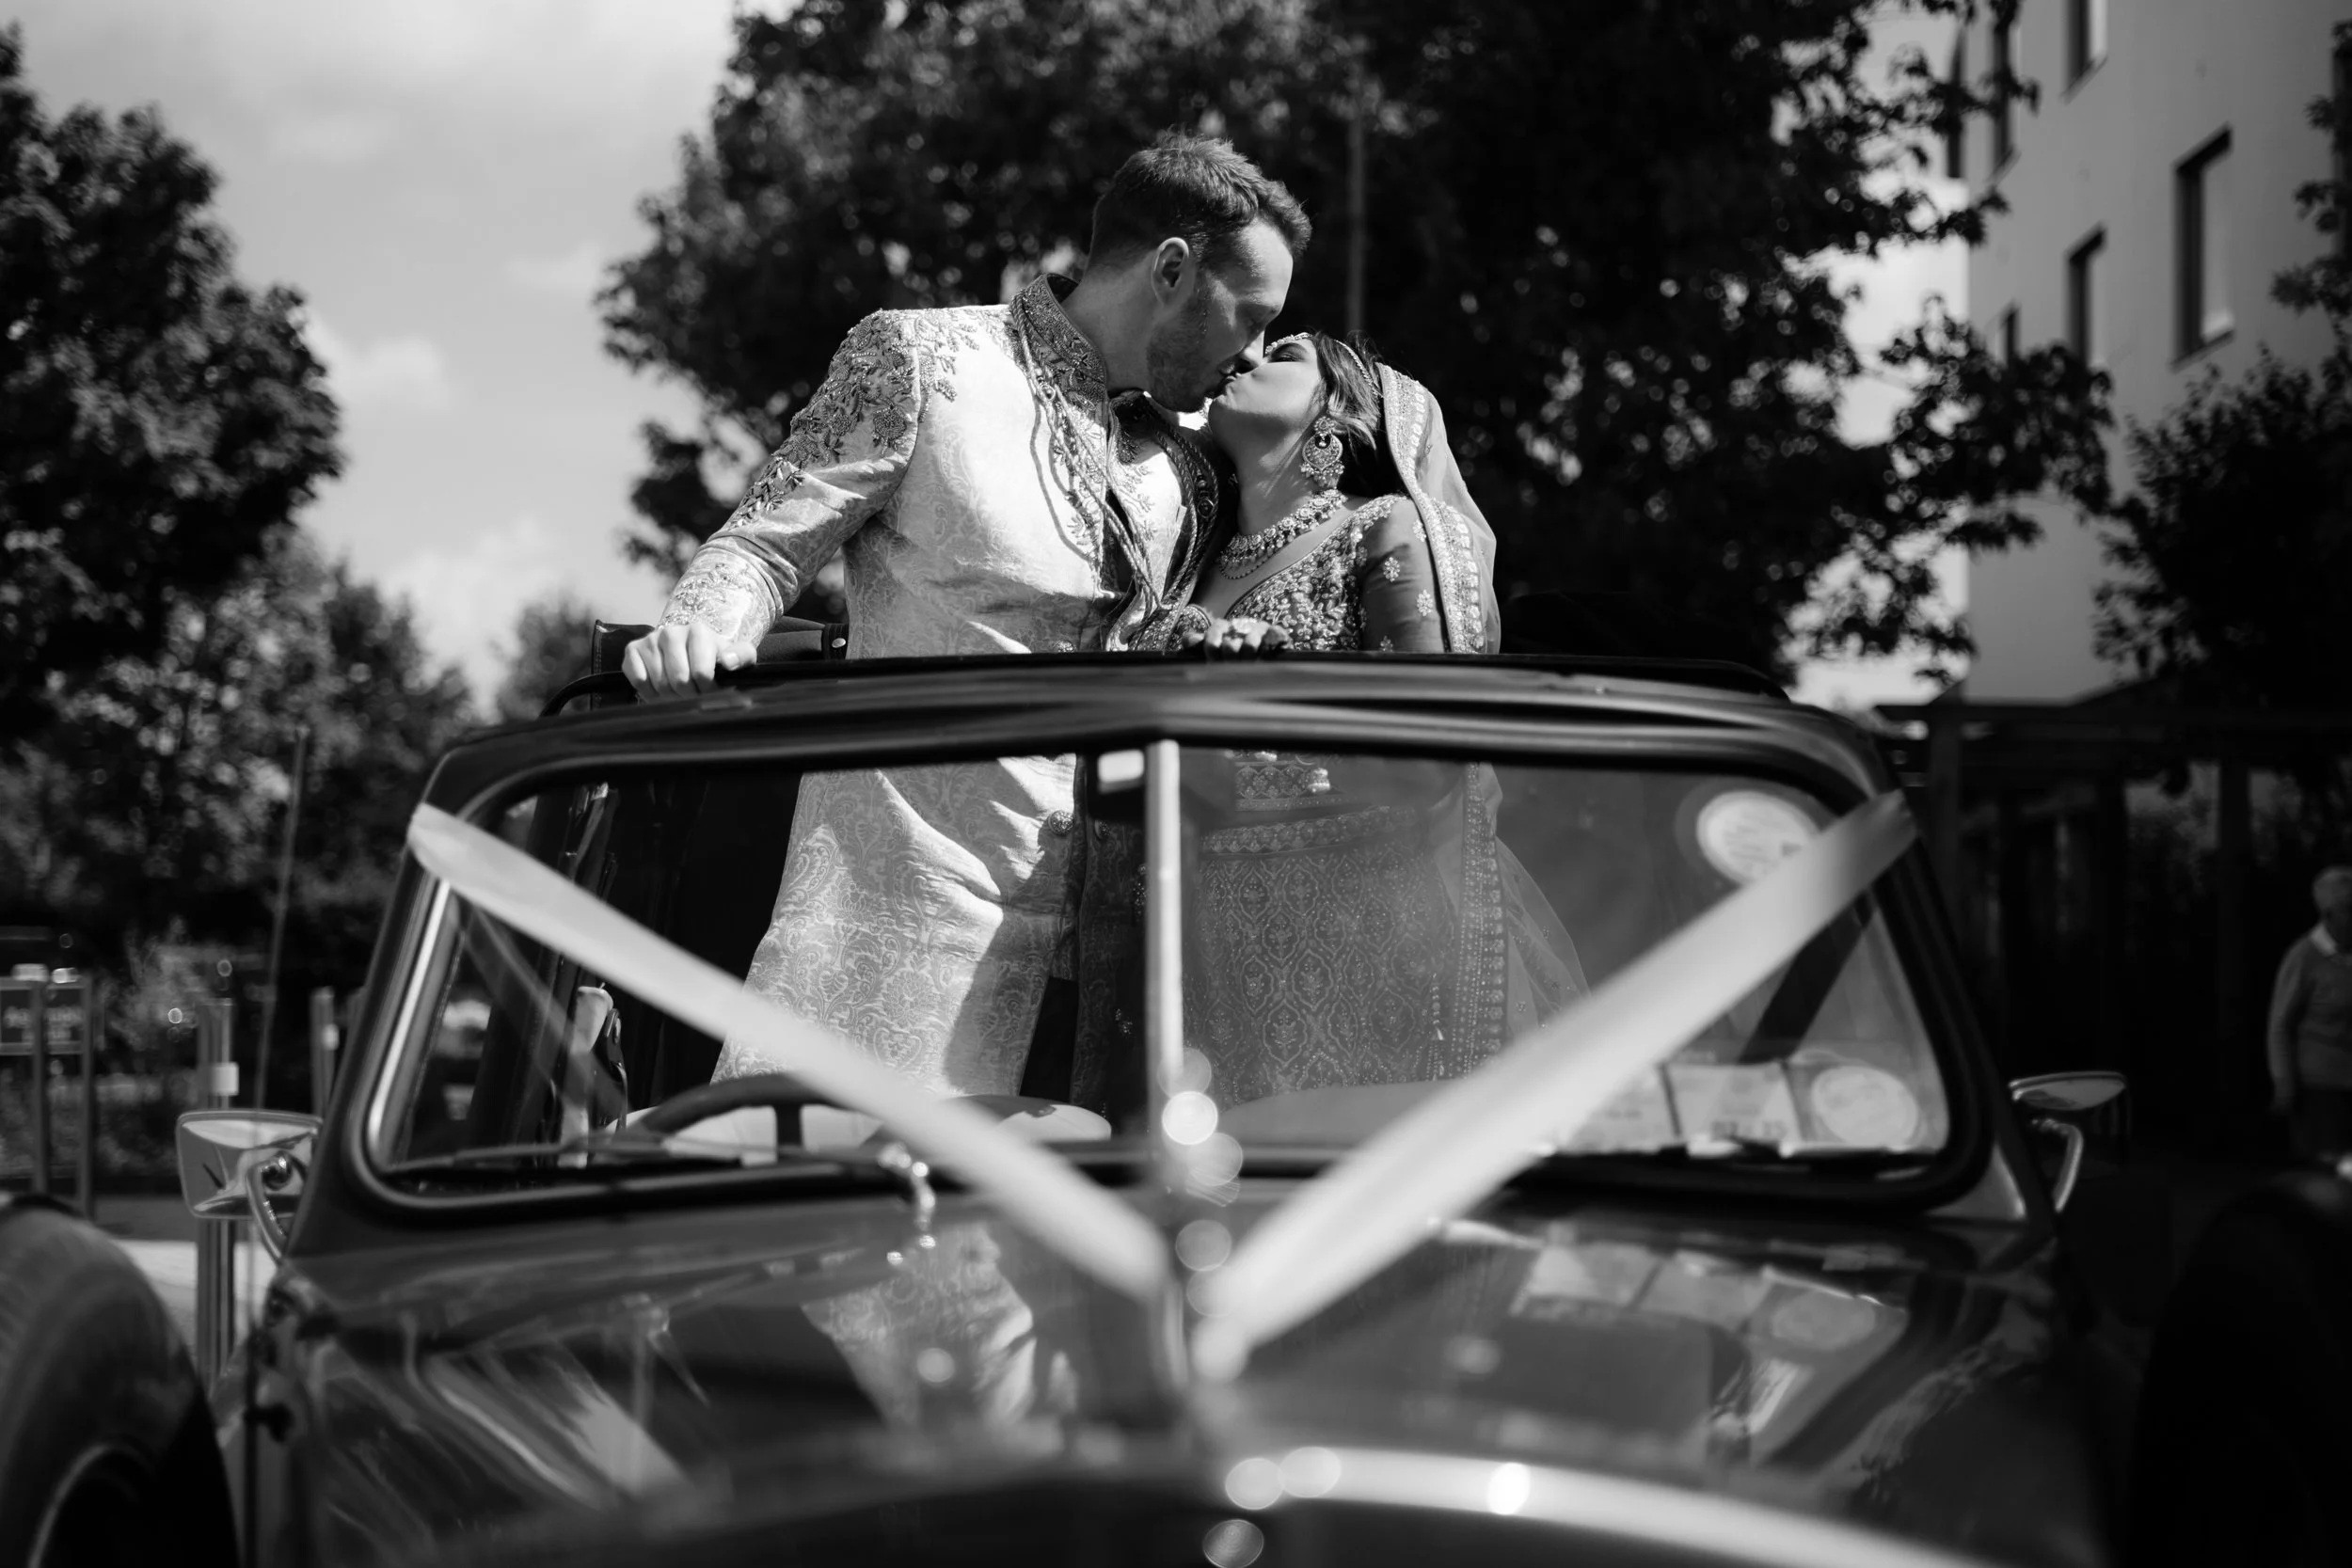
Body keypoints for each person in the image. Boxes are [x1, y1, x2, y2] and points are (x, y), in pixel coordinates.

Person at [623, 134, 1310, 1096]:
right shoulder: (922, 359)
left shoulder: (1193, 460)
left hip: (1114, 978)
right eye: (1254, 316)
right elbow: (763, 545)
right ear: (1170, 269)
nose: (1256, 354)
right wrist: (701, 629)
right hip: (893, 940)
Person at [1073, 334, 1584, 1109]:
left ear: (1336, 418)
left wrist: (1234, 767)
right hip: (1211, 959)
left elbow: (1426, 760)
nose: (1245, 359)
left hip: (1365, 949)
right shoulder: (1192, 565)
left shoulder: (1384, 528)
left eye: (1282, 356)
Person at [2267, 864, 2352, 1159]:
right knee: (2331, 1171)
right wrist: (2284, 1083)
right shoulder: (2304, 956)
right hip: (2319, 1089)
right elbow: (2280, 1024)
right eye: (2349, 909)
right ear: (2329, 914)